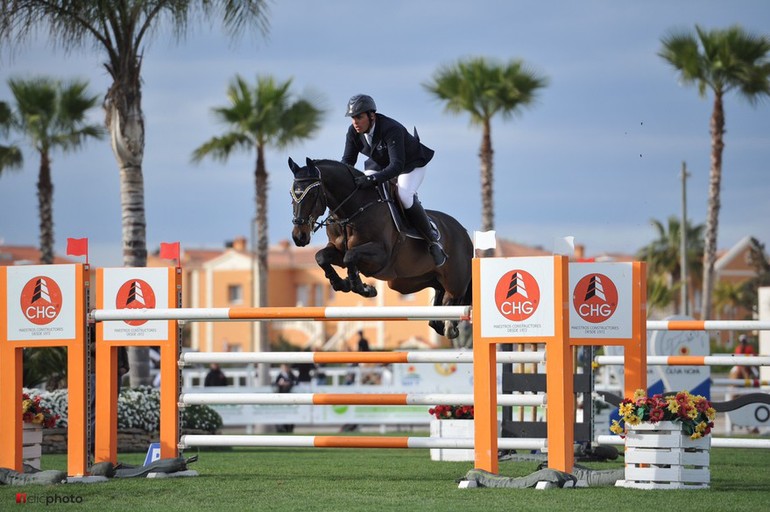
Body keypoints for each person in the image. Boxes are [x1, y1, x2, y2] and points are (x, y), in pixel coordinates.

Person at [341, 94, 447, 266]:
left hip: (410, 164)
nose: (355, 122)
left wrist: (373, 179)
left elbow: (396, 166)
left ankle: (432, 240)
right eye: (353, 117)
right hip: (379, 162)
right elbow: (347, 162)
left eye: (359, 117)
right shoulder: (353, 132)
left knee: (404, 194)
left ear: (371, 115)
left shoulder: (391, 128)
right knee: (366, 192)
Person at [274, 364, 298, 433]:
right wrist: (280, 384)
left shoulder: (291, 374)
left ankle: (289, 427)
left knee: (291, 413)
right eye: (284, 367)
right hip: (281, 397)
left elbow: (296, 382)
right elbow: (275, 384)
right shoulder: (279, 375)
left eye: (286, 367)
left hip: (290, 397)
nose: (285, 368)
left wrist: (288, 383)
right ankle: (281, 428)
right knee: (281, 413)